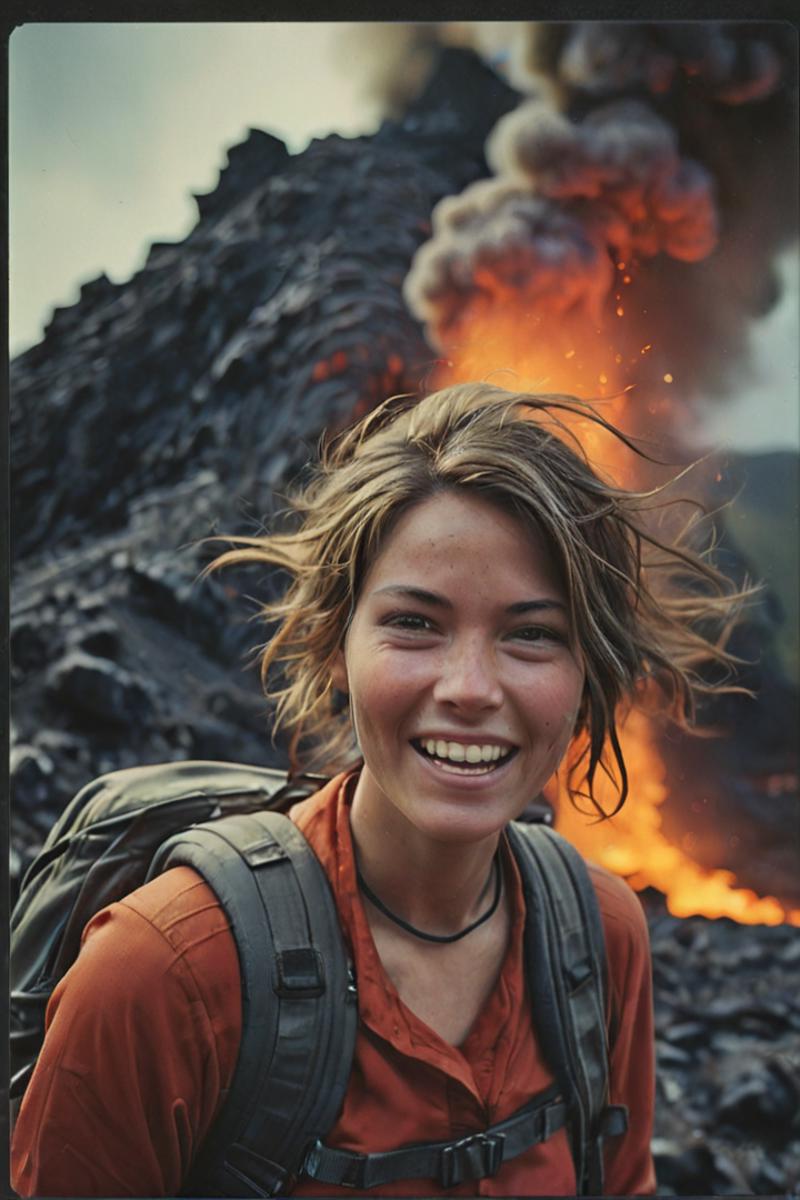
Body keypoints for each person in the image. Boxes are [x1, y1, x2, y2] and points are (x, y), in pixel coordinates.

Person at [11, 383, 749, 1197]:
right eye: (415, 622)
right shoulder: (163, 973)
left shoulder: (600, 936)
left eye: (533, 634)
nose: (469, 688)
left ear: (588, 673)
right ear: (335, 645)